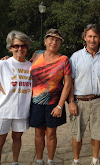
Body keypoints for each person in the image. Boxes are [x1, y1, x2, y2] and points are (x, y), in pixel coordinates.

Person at [68, 24, 100, 165]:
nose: (92, 39)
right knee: (77, 134)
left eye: (95, 36)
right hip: (79, 101)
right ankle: (76, 160)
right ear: (84, 37)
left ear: (99, 39)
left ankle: (95, 159)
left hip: (98, 101)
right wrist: (71, 102)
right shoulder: (75, 57)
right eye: (90, 36)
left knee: (97, 133)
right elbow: (70, 81)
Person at [29, 28, 71, 165]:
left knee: (51, 133)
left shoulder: (64, 60)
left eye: (57, 40)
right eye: (51, 39)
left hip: (54, 103)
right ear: (45, 41)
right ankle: (39, 160)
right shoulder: (36, 55)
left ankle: (51, 161)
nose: (54, 42)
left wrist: (60, 105)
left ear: (60, 43)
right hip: (35, 102)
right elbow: (22, 65)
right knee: (38, 133)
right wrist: (8, 59)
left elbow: (67, 84)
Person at [0, 30, 32, 165]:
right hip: (3, 110)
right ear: (10, 48)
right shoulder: (3, 64)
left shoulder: (31, 66)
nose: (20, 49)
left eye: (23, 46)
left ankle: (15, 162)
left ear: (27, 48)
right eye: (16, 46)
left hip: (21, 111)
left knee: (17, 138)